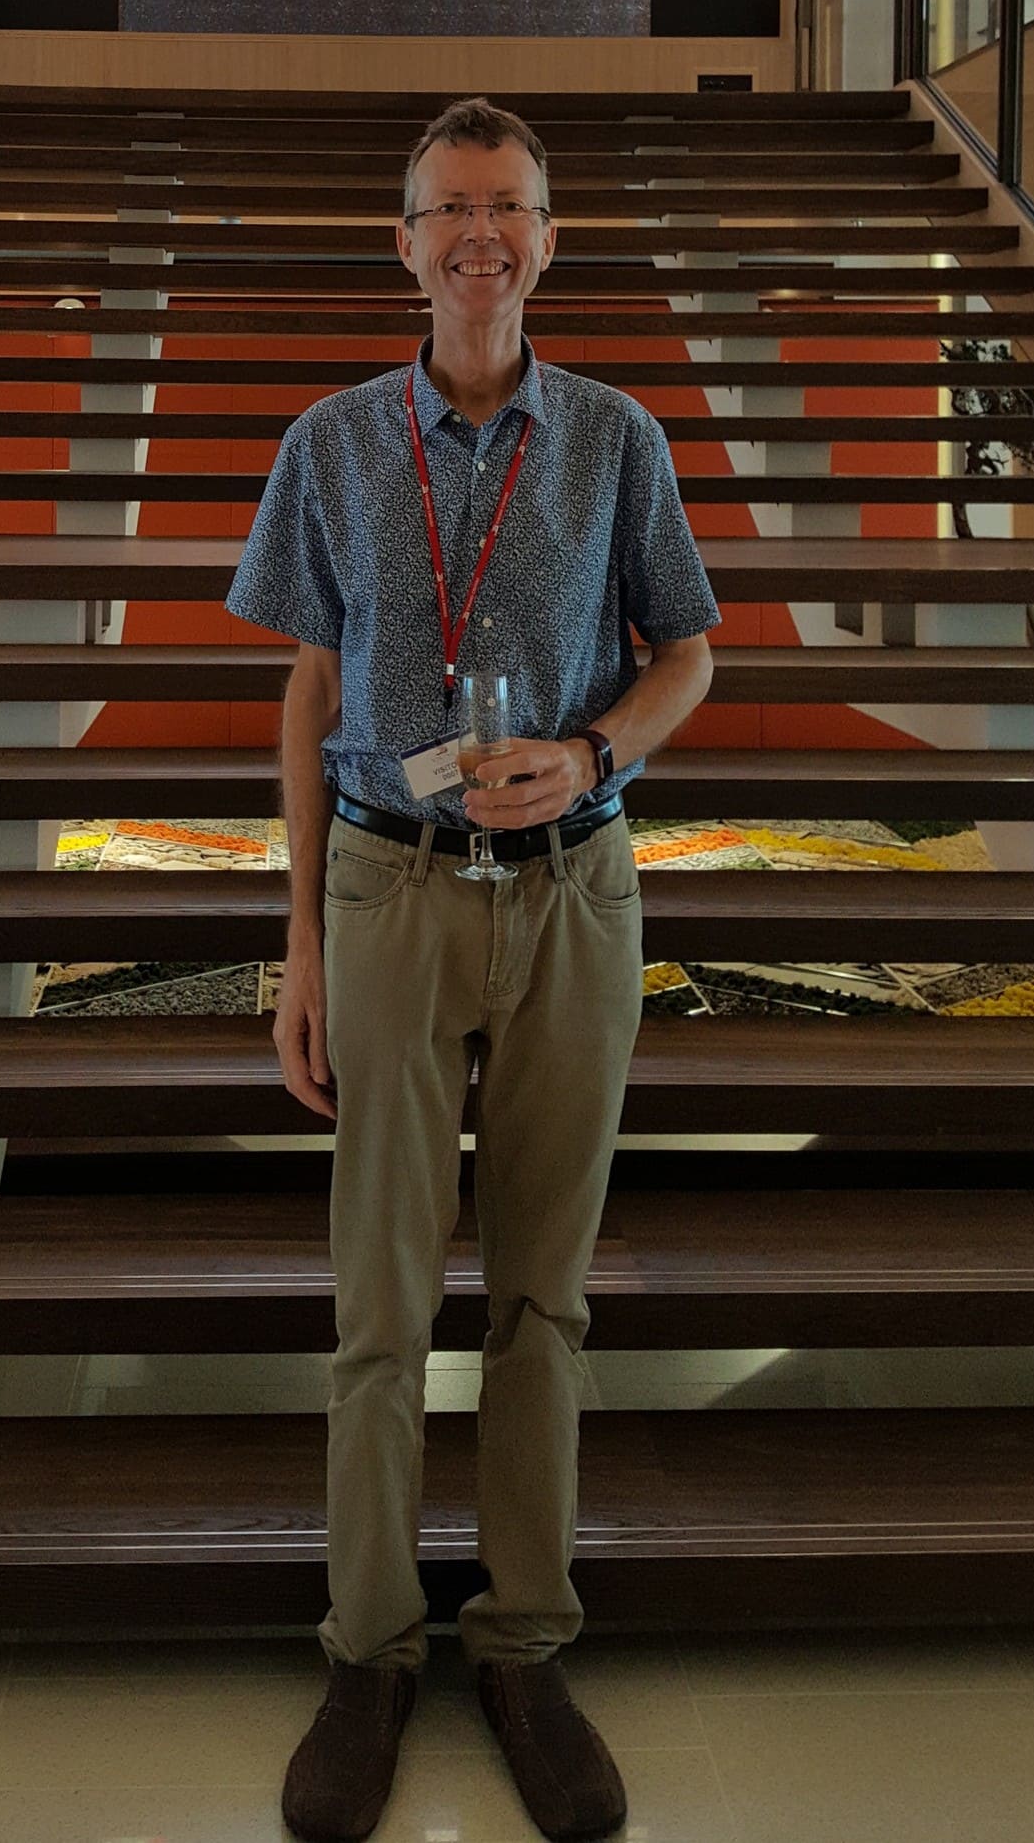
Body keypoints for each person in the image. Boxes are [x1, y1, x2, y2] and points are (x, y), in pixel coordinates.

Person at [225, 96, 719, 1843]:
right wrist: (295, 934)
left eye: (508, 207)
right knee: (378, 1303)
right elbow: (303, 686)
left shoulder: (616, 437)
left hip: (573, 890)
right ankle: (368, 1648)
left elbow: (688, 655)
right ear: (407, 242)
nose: (479, 236)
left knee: (540, 1296)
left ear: (550, 239)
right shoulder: (334, 441)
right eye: (450, 210)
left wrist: (593, 756)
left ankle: (520, 1638)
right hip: (388, 887)